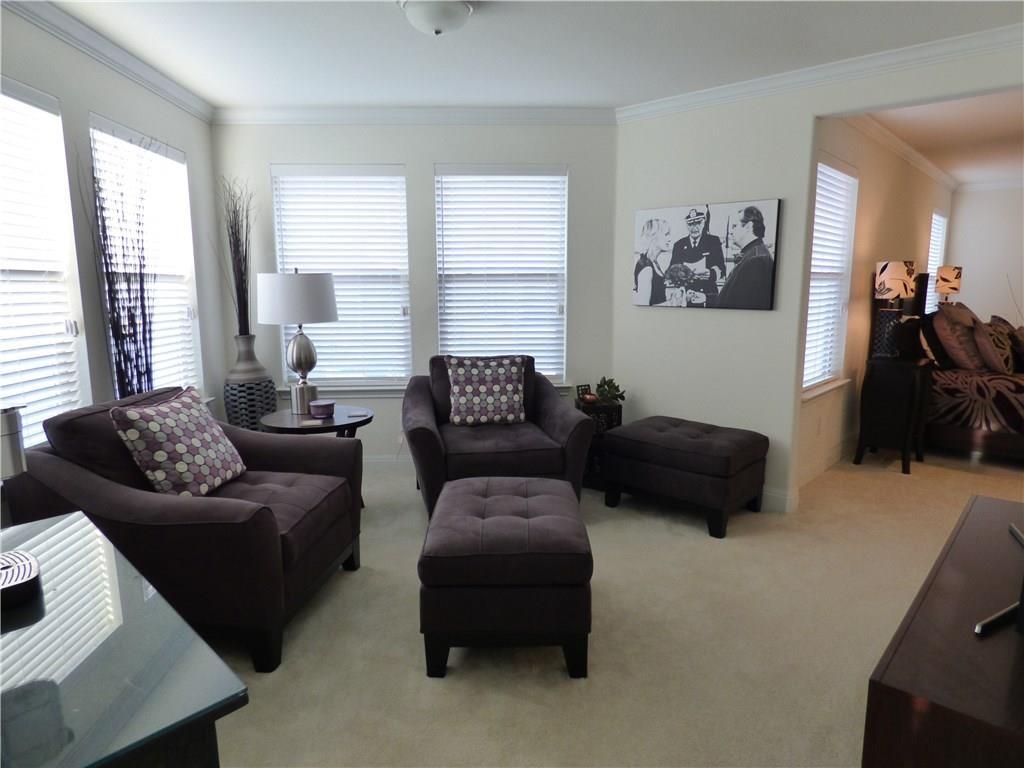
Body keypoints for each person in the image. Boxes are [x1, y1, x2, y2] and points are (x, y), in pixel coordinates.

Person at [686, 205, 775, 310]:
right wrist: (706, 298)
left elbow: (745, 306)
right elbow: (738, 296)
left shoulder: (756, 259)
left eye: (734, 226)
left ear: (748, 227)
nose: (731, 232)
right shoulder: (753, 253)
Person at [670, 206, 725, 304]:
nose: (694, 228)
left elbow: (722, 269)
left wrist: (711, 273)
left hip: (707, 296)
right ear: (686, 225)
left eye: (698, 223)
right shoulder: (679, 245)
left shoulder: (713, 241)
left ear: (704, 222)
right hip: (686, 296)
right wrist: (682, 275)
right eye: (690, 224)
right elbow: (672, 271)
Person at [632, 218, 673, 306]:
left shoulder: (654, 263)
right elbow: (643, 306)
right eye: (666, 234)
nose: (670, 239)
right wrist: (672, 303)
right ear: (654, 237)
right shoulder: (646, 268)